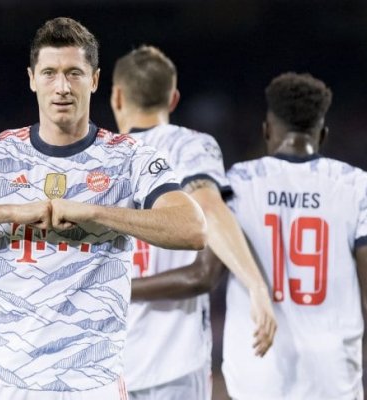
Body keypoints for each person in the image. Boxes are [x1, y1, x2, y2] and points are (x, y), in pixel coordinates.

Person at [0, 17, 207, 400]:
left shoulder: (130, 157)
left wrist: (96, 213)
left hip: (88, 383)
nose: (62, 87)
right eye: (50, 73)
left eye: (74, 73)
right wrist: (10, 211)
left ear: (94, 80)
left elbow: (193, 228)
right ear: (32, 78)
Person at [110, 45, 277, 400]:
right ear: (173, 99)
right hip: (174, 364)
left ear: (117, 97)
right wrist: (256, 286)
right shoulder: (187, 146)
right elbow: (209, 209)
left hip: (104, 368)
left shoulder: (93, 158)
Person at [216, 72, 367, 399]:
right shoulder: (357, 185)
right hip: (333, 373)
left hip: (257, 367)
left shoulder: (236, 182)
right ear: (323, 134)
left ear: (267, 130)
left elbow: (208, 272)